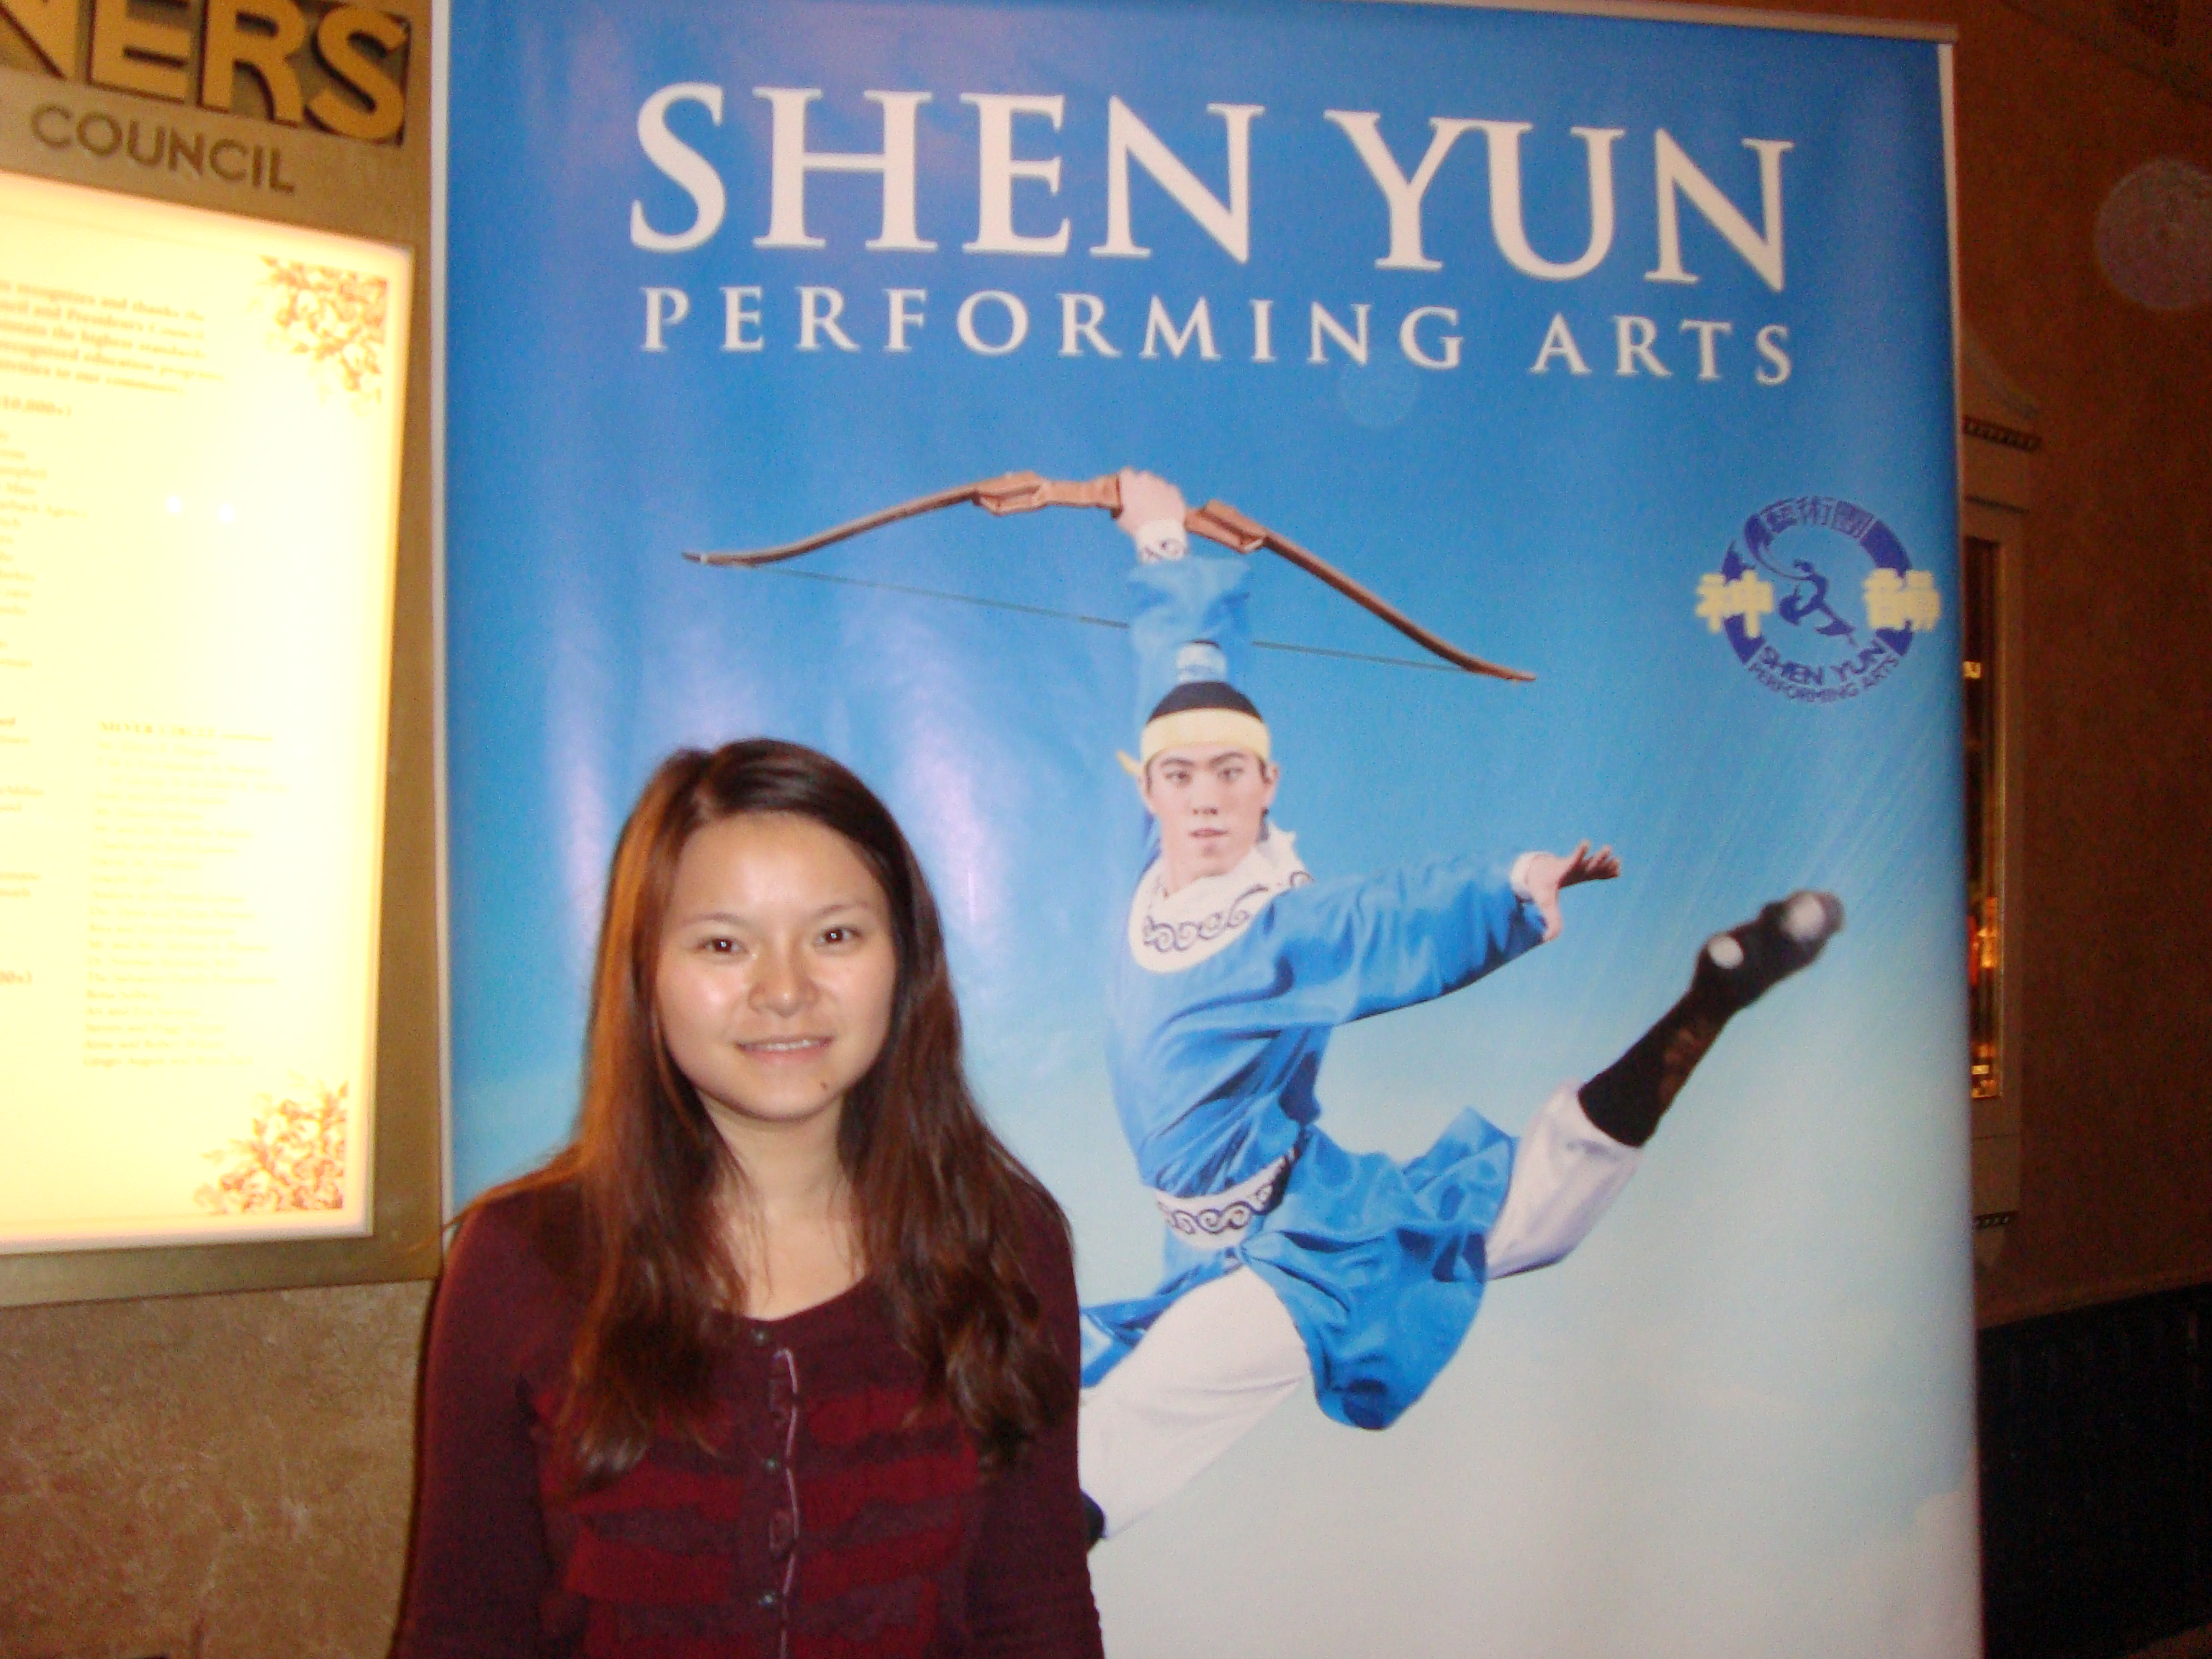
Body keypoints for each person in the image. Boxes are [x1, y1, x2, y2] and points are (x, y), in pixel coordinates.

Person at [1076, 471, 1843, 1540]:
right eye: (1182, 778)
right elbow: (1187, 669)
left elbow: (1389, 920)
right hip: (1216, 1239)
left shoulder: (1281, 928)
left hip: (1287, 1256)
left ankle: (1708, 1004)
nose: (1205, 799)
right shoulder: (1148, 866)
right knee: (1494, 1218)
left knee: (1116, 1444)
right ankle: (1710, 1002)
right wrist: (1159, 535)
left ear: (1268, 784)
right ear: (1149, 788)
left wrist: (1515, 883)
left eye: (1231, 776)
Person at [396, 740, 1103, 1659]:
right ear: (645, 972)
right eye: (724, 945)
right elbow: (464, 1629)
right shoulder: (521, 1258)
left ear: (906, 959)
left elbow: (1037, 1613)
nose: (784, 992)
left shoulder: (1001, 1241)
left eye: (835, 936)